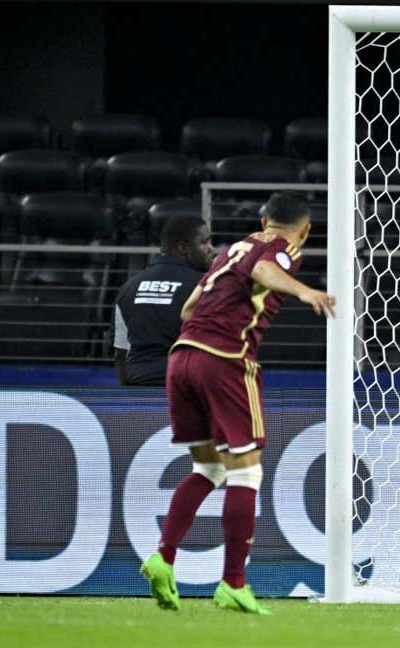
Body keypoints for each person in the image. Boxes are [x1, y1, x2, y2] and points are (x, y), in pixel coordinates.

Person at [138, 192, 336, 614]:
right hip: (224, 360)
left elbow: (189, 307)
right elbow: (265, 270)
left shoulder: (231, 249)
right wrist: (304, 292)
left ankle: (163, 556)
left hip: (181, 357)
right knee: (247, 473)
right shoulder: (284, 249)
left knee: (208, 468)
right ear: (305, 229)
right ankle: (233, 583)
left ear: (263, 218)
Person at [112, 216, 213, 386]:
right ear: (183, 247)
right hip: (186, 388)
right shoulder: (203, 287)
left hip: (139, 387)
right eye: (204, 242)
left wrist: (128, 396)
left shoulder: (128, 287)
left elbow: (120, 353)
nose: (211, 249)